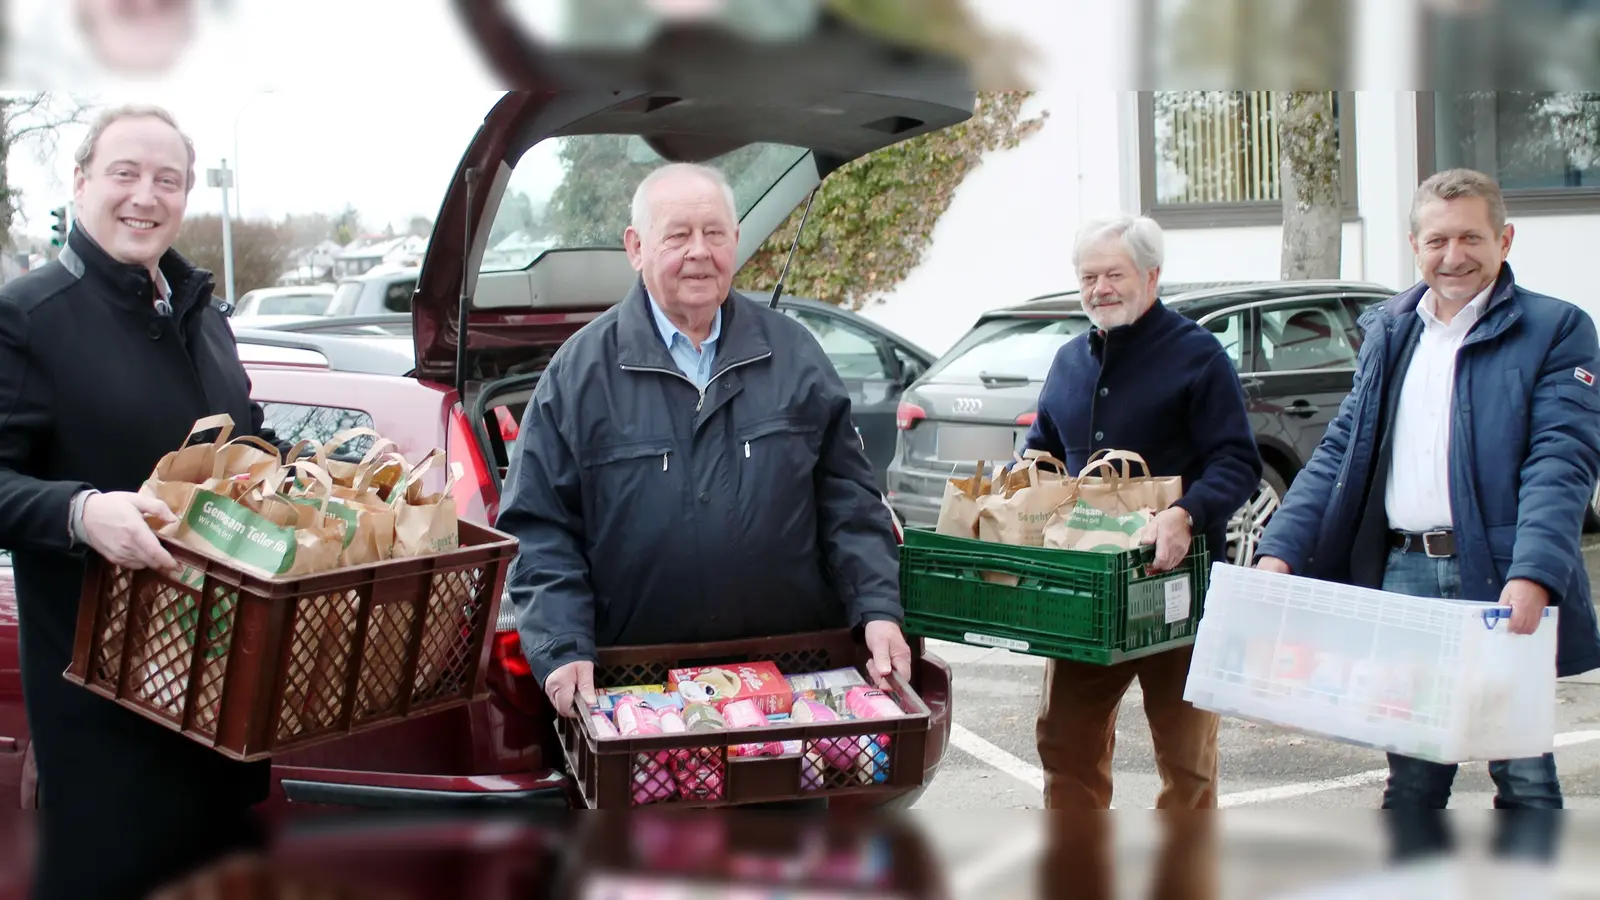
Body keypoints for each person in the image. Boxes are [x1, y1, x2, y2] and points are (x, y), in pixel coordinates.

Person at [498, 162, 912, 720]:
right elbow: (539, 528)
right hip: (639, 690)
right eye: (678, 235)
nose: (699, 251)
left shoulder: (795, 356)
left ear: (735, 241)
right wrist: (562, 645)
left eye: (714, 233)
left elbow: (851, 504)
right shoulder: (579, 374)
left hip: (791, 684)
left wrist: (877, 608)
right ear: (636, 247)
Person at [1254, 169, 1600, 829]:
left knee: (1522, 772)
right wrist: (1280, 551)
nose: (1453, 256)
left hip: (1498, 576)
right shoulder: (1389, 329)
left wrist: (1533, 575)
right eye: (1437, 239)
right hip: (1404, 574)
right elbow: (1339, 452)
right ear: (1414, 244)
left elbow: (1561, 460)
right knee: (1412, 776)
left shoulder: (1557, 329)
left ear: (1505, 238)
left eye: (1471, 236)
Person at [0, 105, 279, 899]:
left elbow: (249, 444)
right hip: (106, 727)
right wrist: (84, 513)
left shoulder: (203, 318)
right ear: (81, 181)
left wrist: (338, 477)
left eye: (169, 180)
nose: (145, 197)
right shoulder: (27, 318)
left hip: (226, 705)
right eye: (125, 173)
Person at [1023, 215, 1263, 809]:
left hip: (1176, 590)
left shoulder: (1198, 356)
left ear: (1152, 276)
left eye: (1114, 274)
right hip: (1088, 591)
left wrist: (1185, 513)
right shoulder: (1067, 363)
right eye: (1088, 277)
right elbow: (1041, 449)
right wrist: (1023, 483)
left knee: (1187, 762)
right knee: (1066, 746)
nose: (1100, 288)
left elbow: (1237, 461)